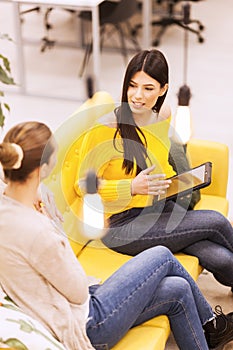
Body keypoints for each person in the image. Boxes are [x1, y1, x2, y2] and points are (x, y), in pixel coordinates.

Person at [1, 122, 233, 349]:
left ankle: (212, 330)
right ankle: (215, 327)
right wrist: (50, 225)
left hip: (70, 308)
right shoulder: (39, 232)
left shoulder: (7, 209)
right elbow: (78, 291)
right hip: (89, 323)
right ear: (44, 167)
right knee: (162, 255)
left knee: (178, 289)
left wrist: (34, 192)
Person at [75, 49, 233, 292]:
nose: (138, 96)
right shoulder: (106, 127)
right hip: (119, 225)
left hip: (156, 207)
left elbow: (159, 159)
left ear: (163, 89)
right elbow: (83, 185)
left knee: (221, 260)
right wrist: (130, 186)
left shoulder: (162, 115)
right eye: (132, 86)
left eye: (148, 89)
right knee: (216, 222)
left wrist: (176, 182)